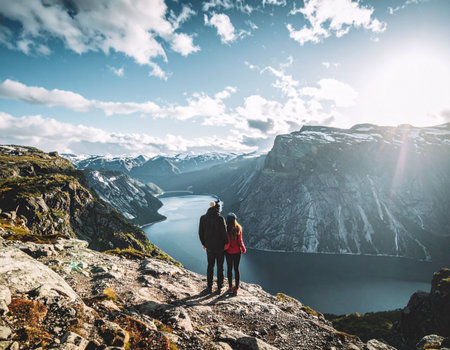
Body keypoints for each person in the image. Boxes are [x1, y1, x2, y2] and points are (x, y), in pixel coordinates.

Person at [198, 199, 228, 294]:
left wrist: (204, 244)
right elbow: (224, 234)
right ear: (217, 209)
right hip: (220, 248)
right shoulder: (220, 219)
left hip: (209, 247)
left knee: (210, 266)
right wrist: (226, 244)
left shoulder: (203, 218)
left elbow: (200, 233)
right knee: (220, 267)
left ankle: (209, 287)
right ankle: (219, 287)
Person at [224, 212, 246, 296]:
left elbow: (227, 243)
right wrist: (243, 248)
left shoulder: (226, 229)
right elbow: (240, 241)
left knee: (229, 269)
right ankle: (236, 288)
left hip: (228, 252)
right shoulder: (238, 228)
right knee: (236, 269)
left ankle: (230, 287)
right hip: (237, 252)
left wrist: (223, 249)